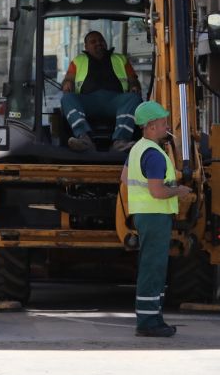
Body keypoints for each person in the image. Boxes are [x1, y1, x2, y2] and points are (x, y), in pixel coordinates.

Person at [124, 101, 191, 337]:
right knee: (153, 268)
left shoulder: (137, 149)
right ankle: (148, 322)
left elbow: (125, 177)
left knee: (150, 266)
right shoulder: (154, 156)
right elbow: (157, 192)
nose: (166, 127)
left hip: (144, 214)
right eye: (163, 123)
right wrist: (178, 191)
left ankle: (152, 317)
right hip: (155, 215)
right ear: (151, 126)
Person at [60, 30, 142, 153]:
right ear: (86, 47)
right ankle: (84, 139)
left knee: (134, 98)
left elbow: (133, 80)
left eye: (101, 41)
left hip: (116, 101)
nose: (98, 43)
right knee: (67, 98)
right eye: (93, 42)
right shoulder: (78, 60)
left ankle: (120, 141)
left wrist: (135, 86)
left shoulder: (120, 59)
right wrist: (67, 84)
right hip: (88, 101)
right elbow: (68, 80)